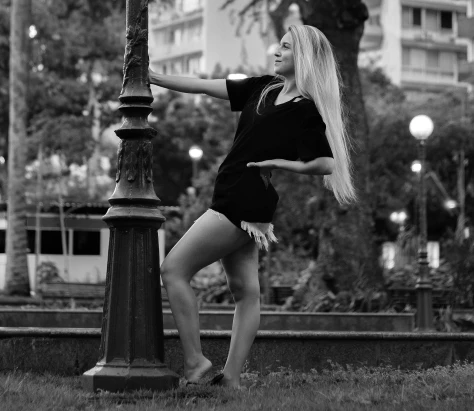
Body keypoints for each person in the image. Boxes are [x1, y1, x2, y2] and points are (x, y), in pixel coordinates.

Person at [149, 23, 356, 390]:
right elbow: (203, 85)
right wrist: (156, 78)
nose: (277, 51)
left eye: (287, 47)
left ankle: (196, 364)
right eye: (279, 45)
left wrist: (278, 164)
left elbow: (325, 163)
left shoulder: (304, 109)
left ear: (304, 58)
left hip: (239, 199)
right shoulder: (262, 88)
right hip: (243, 198)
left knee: (173, 270)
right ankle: (230, 381)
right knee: (246, 292)